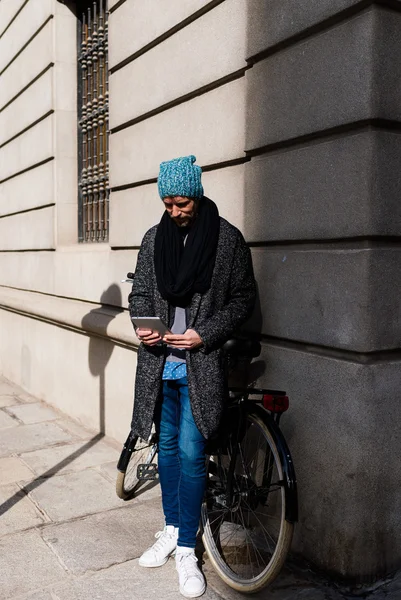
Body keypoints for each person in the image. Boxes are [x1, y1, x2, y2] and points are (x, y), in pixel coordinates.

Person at [128, 155, 256, 598]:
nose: (174, 212)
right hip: (159, 364)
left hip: (201, 365)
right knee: (165, 448)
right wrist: (142, 324)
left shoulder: (227, 241)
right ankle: (170, 527)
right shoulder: (153, 239)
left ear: (197, 195)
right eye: (167, 204)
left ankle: (187, 547)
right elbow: (140, 291)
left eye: (181, 203)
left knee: (190, 450)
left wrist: (205, 334)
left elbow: (243, 300)